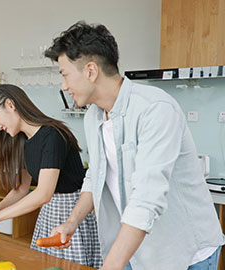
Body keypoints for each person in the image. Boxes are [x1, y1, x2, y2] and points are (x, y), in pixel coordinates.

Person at [44, 21, 225, 270]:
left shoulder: (154, 109)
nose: (64, 86)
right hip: (134, 248)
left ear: (90, 71)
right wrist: (71, 223)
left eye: (64, 74)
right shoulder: (93, 117)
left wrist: (110, 265)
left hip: (184, 252)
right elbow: (95, 176)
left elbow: (146, 200)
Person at [0, 84, 102, 268]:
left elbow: (43, 194)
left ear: (10, 105)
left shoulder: (52, 135)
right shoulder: (23, 141)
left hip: (71, 214)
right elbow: (21, 190)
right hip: (48, 214)